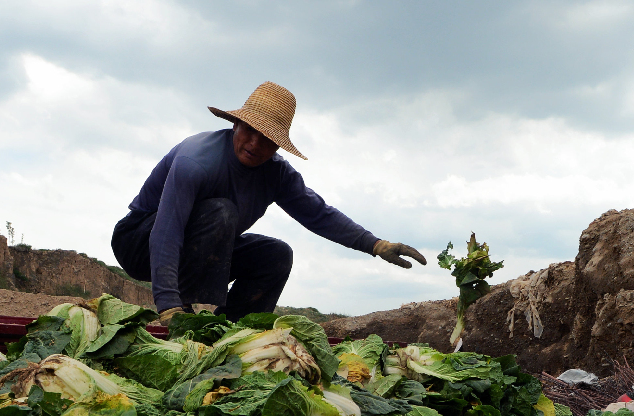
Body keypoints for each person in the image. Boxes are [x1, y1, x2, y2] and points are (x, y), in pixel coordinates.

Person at [111, 82, 426, 325]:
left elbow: (319, 214)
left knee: (276, 254)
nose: (254, 144)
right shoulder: (197, 160)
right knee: (221, 212)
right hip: (141, 241)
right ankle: (184, 310)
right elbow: (167, 231)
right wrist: (168, 306)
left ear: (278, 145)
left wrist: (375, 244)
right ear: (236, 124)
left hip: (201, 247)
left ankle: (231, 330)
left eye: (267, 139)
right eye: (250, 131)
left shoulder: (277, 174)